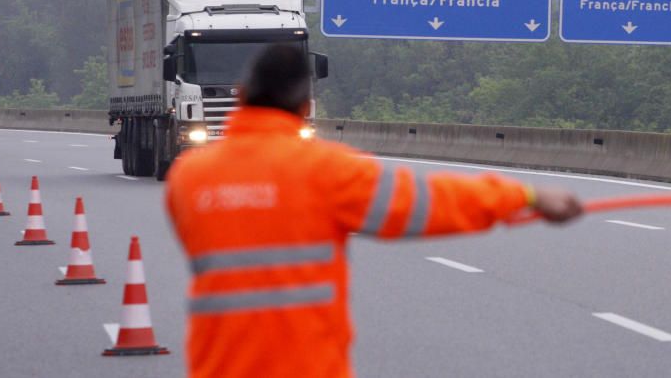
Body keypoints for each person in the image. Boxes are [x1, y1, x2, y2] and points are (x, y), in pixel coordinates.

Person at [165, 44, 583, 378]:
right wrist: (526, 197)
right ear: (306, 107)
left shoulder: (190, 177)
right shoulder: (327, 171)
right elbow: (427, 203)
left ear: (241, 97)